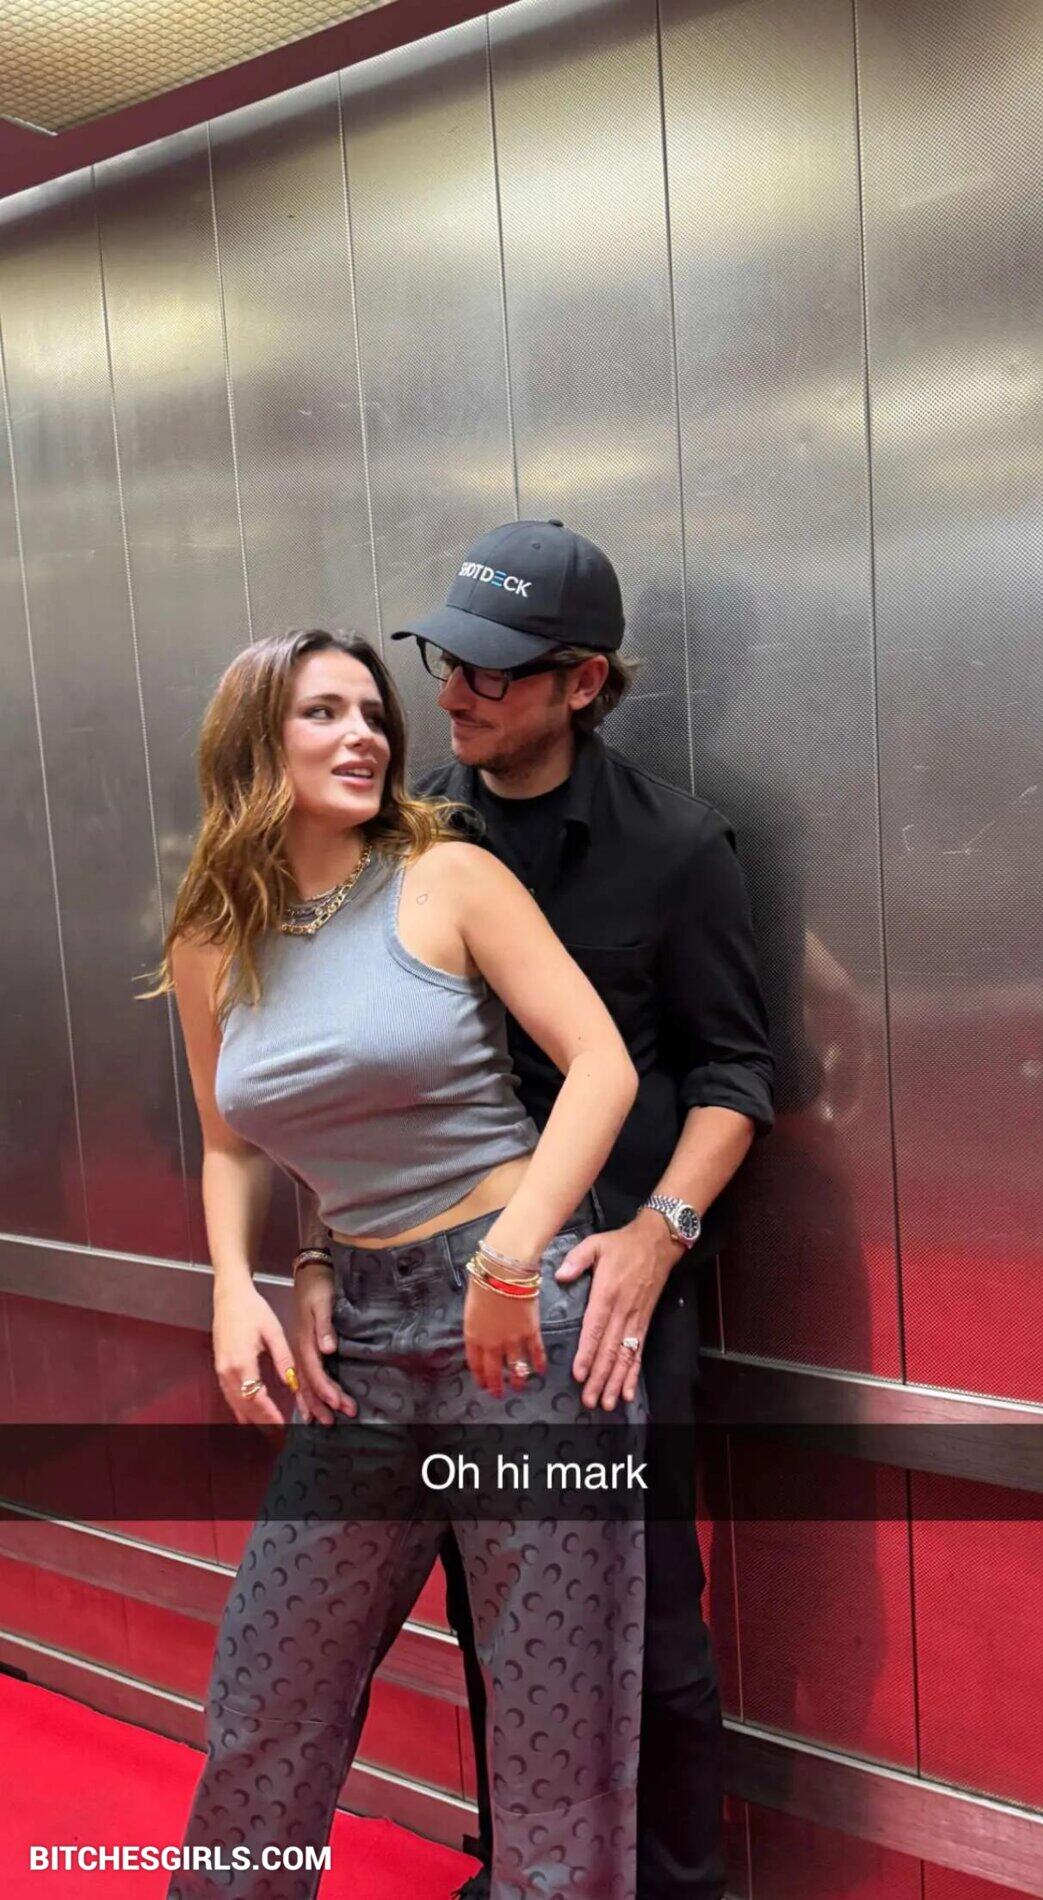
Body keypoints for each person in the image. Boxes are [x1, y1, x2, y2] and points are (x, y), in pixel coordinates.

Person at [294, 524, 775, 1900]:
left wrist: (657, 1235)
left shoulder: (676, 847)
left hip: (608, 1295)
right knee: (503, 1621)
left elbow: (735, 1074)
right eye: (446, 660)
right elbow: (352, 1081)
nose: (452, 693)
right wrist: (318, 1252)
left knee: (650, 1629)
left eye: (494, 672)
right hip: (443, 1300)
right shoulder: (400, 843)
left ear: (583, 683)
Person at [147, 626, 646, 1899]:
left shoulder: (446, 878)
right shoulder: (211, 938)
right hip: (358, 1338)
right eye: (323, 712)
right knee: (268, 1694)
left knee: (552, 1729)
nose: (364, 733)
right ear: (254, 741)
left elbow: (601, 1067)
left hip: (518, 1322)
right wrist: (236, 1283)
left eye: (373, 712)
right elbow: (228, 1141)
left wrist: (513, 1261)